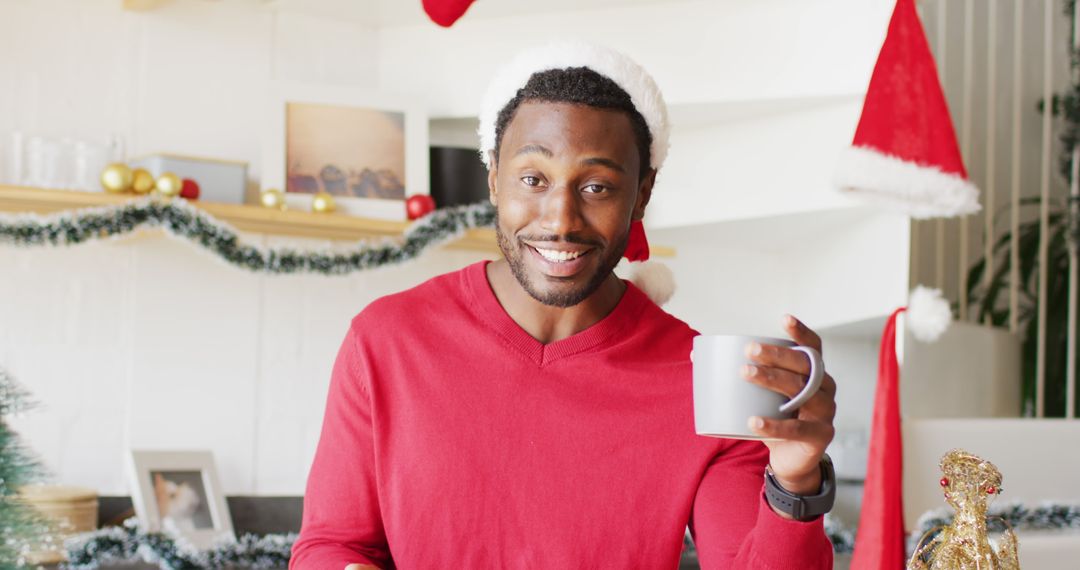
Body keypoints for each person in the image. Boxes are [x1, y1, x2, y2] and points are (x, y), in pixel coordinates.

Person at [290, 42, 837, 569]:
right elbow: (331, 546)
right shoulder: (386, 339)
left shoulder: (700, 380)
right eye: (533, 178)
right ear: (494, 180)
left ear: (642, 193)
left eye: (597, 186)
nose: (560, 219)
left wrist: (794, 482)